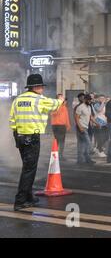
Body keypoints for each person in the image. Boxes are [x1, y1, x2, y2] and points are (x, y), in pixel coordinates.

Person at [9, 74, 63, 211]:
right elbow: (54, 105)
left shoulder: (17, 99)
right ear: (36, 87)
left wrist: (16, 134)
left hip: (19, 137)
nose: (42, 89)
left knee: (27, 167)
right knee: (29, 169)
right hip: (32, 138)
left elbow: (12, 120)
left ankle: (29, 197)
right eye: (41, 87)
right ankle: (20, 201)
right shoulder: (39, 99)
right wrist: (61, 100)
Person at [74, 94, 97, 165]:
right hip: (81, 127)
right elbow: (76, 118)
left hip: (86, 127)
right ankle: (87, 159)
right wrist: (80, 127)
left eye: (90, 100)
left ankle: (81, 160)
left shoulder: (89, 107)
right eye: (88, 100)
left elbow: (90, 117)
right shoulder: (80, 107)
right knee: (88, 143)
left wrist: (96, 123)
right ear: (85, 99)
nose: (90, 101)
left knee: (82, 144)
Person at [50, 94, 71, 161]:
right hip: (56, 125)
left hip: (62, 126)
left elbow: (66, 117)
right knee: (57, 141)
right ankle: (55, 155)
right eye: (61, 97)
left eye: (63, 97)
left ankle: (60, 155)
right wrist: (59, 105)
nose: (63, 98)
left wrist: (68, 125)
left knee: (62, 141)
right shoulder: (54, 105)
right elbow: (52, 113)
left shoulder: (64, 106)